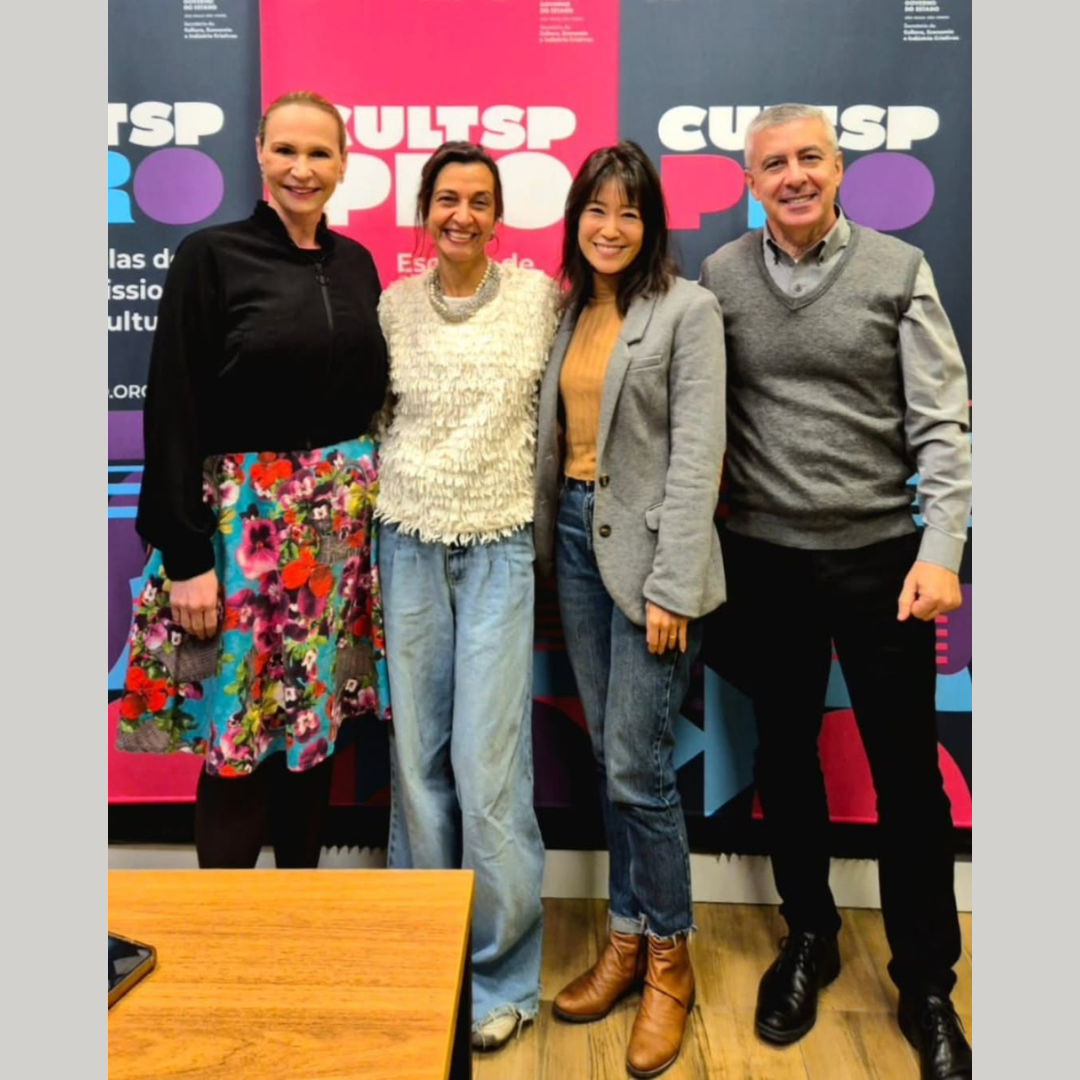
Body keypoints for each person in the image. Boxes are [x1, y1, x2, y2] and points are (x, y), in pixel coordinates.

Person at [700, 104, 972, 1080]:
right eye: (773, 164)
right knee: (785, 760)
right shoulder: (721, 275)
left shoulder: (898, 270)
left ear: (840, 167)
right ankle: (810, 935)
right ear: (750, 182)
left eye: (810, 157)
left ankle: (927, 982)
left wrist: (943, 548)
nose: (794, 176)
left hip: (881, 562)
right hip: (764, 559)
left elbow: (942, 423)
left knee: (908, 781)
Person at [117, 91, 389, 871]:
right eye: (287, 151)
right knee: (237, 742)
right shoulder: (211, 255)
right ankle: (224, 934)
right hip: (241, 538)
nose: (302, 168)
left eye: (319, 153)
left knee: (312, 736)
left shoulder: (358, 264)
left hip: (336, 543)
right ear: (260, 155)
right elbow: (173, 407)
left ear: (343, 164)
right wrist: (186, 556)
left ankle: (295, 920)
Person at [533, 142, 726, 1079]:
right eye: (595, 210)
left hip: (652, 561)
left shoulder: (688, 311)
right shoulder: (568, 310)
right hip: (575, 543)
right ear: (576, 218)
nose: (610, 228)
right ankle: (622, 937)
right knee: (615, 763)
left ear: (652, 224)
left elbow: (698, 456)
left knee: (641, 770)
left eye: (629, 212)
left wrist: (674, 585)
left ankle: (669, 961)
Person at [375, 141, 559, 1052]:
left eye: (479, 200)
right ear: (426, 209)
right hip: (406, 543)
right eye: (447, 199)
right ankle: (421, 952)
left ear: (498, 215)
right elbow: (377, 418)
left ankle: (500, 974)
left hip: (498, 550)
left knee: (489, 770)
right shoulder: (392, 306)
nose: (462, 215)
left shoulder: (537, 299)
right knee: (416, 762)